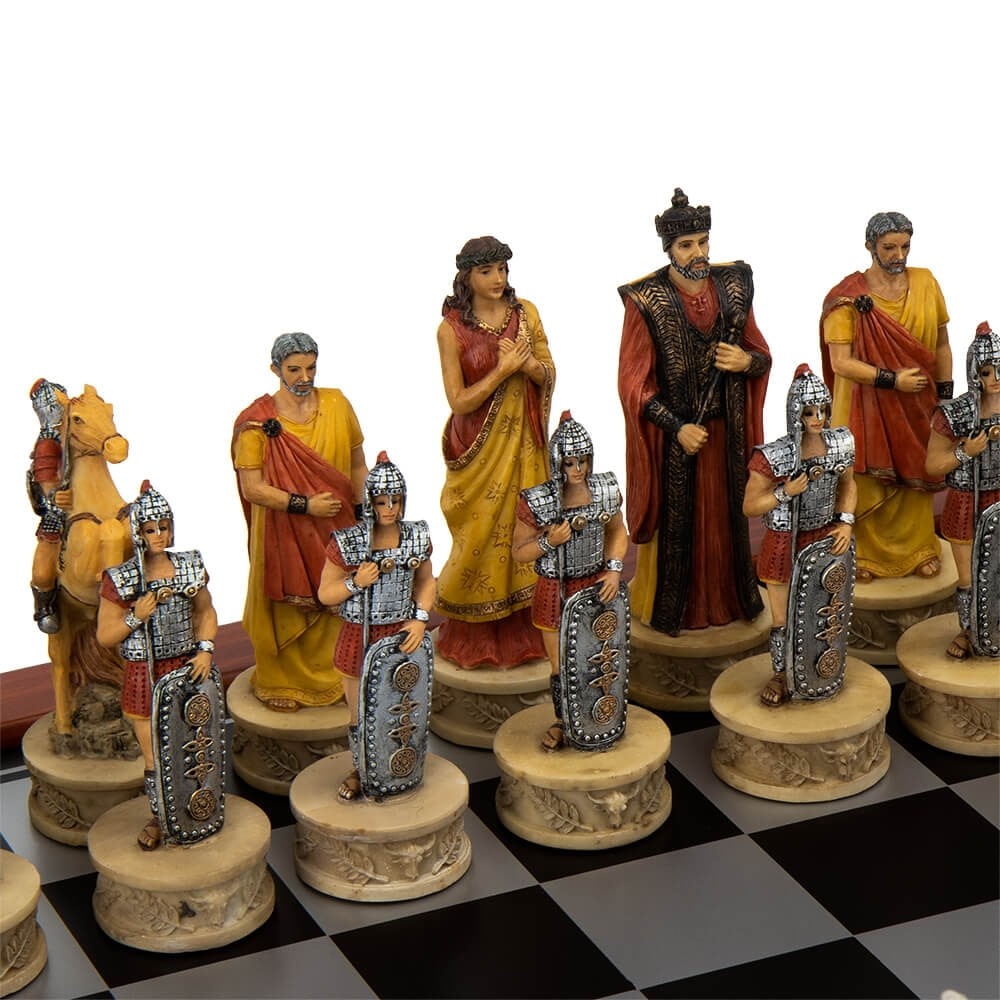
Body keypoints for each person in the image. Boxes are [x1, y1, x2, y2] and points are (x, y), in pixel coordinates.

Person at [618, 188, 771, 636]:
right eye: (686, 245)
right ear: (669, 249)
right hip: (676, 442)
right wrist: (677, 426)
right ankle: (674, 611)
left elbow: (760, 353)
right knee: (679, 525)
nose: (699, 252)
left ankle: (735, 600)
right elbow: (633, 384)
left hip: (727, 434)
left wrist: (745, 361)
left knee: (727, 519)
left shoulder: (733, 286)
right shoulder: (647, 300)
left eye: (703, 242)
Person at [434, 236, 556, 668]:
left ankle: (531, 623)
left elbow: (547, 371)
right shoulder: (451, 330)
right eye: (486, 271)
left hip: (525, 443)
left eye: (502, 269)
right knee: (482, 532)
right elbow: (459, 400)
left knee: (528, 523)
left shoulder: (526, 314)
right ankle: (477, 632)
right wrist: (503, 370)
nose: (498, 278)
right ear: (466, 276)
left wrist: (528, 367)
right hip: (479, 450)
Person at [233, 333, 368, 711]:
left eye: (311, 368)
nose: (304, 377)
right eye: (294, 369)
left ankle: (340, 675)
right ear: (275, 369)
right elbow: (253, 488)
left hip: (338, 524)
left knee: (340, 592)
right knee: (289, 604)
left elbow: (357, 462)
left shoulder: (337, 404)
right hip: (283, 531)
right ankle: (284, 682)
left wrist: (363, 512)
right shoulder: (256, 423)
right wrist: (305, 505)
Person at [820, 211, 952, 581]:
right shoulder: (847, 298)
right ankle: (864, 555)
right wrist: (892, 380)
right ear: (870, 247)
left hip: (919, 401)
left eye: (905, 246)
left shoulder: (925, 283)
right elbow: (841, 362)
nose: (899, 255)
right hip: (865, 405)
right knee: (866, 478)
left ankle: (920, 548)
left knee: (918, 468)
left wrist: (945, 396)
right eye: (889, 247)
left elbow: (941, 343)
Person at [97, 483, 218, 849]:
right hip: (144, 673)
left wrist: (205, 650)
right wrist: (135, 616)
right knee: (154, 755)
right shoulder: (122, 579)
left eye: (163, 527)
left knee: (194, 744)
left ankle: (197, 810)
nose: (159, 535)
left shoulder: (188, 566)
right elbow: (105, 634)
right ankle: (160, 818)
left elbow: (205, 611)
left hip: (186, 665)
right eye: (150, 529)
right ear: (138, 533)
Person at [318, 452, 436, 799]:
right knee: (361, 713)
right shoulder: (349, 542)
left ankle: (400, 767)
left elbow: (426, 582)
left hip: (402, 632)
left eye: (395, 501)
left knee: (402, 707)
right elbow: (326, 593)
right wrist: (356, 582)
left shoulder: (415, 536)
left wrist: (420, 619)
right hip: (359, 634)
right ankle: (362, 770)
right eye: (382, 501)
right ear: (370, 502)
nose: (389, 509)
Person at [512, 412, 628, 749]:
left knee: (601, 656)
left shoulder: (604, 490)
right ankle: (564, 721)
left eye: (583, 460)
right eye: (570, 462)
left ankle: (599, 717)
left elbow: (618, 531)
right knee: (561, 663)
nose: (578, 469)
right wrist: (549, 542)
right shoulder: (538, 500)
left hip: (596, 583)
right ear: (557, 463)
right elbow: (519, 551)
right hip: (555, 588)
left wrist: (614, 568)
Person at [743, 366, 857, 705]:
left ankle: (819, 669)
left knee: (826, 609)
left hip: (824, 534)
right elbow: (750, 505)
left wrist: (846, 521)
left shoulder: (839, 444)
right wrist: (785, 492)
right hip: (784, 540)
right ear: (796, 414)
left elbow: (848, 485)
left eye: (822, 410)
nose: (818, 418)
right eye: (809, 412)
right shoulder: (774, 456)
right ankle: (782, 674)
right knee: (783, 618)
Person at [925, 322, 1000, 658]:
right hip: (966, 499)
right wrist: (964, 452)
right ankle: (969, 630)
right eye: (986, 372)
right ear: (974, 373)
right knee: (969, 577)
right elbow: (933, 465)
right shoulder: (955, 414)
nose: (994, 379)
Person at [27, 379, 71, 634]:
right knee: (43, 571)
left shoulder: (76, 430)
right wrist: (55, 497)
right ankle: (45, 605)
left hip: (87, 499)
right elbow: (45, 480)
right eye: (58, 404)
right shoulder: (47, 442)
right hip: (58, 510)